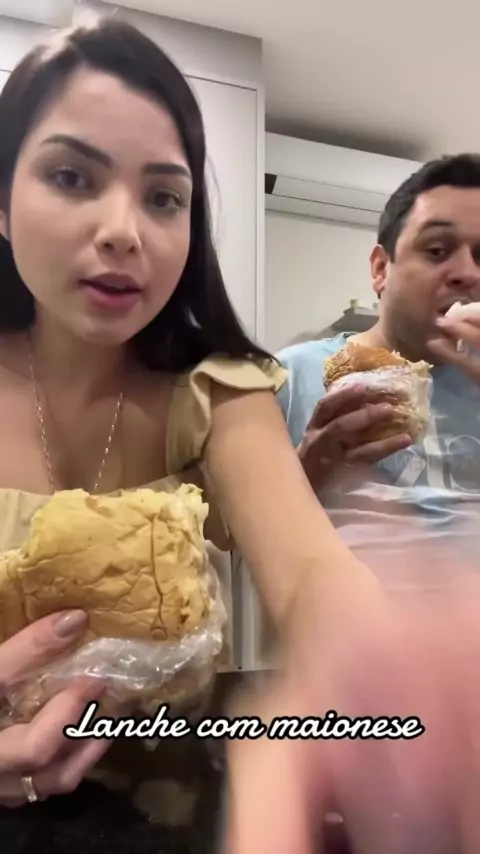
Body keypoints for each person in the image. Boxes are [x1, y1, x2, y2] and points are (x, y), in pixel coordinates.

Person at [0, 11, 377, 833]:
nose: (122, 231)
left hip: (175, 806)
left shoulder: (218, 391)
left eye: (164, 197)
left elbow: (310, 572)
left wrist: (399, 684)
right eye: (71, 177)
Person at [276, 153, 480, 591]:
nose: (467, 273)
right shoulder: (288, 377)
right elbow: (229, 539)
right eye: (438, 250)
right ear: (381, 269)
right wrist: (307, 471)